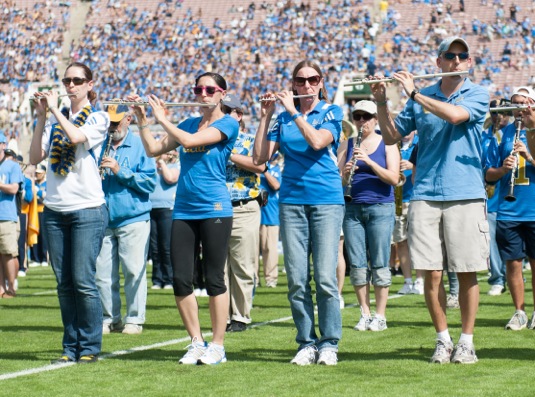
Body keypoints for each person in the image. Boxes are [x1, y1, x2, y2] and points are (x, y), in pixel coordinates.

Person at [370, 37, 490, 364]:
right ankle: (443, 339)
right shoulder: (421, 98)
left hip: (464, 192)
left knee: (466, 271)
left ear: (467, 61)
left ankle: (467, 340)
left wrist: (413, 93)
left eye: (461, 56)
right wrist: (382, 104)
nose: (456, 60)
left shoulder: (478, 93)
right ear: (439, 62)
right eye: (449, 56)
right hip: (425, 192)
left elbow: (454, 116)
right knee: (430, 272)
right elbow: (393, 136)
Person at [129, 72, 239, 365]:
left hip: (215, 208)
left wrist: (162, 118)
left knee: (214, 278)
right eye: (198, 88)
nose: (203, 93)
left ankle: (217, 344)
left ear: (221, 94)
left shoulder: (228, 123)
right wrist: (143, 120)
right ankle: (196, 341)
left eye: (209, 89)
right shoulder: (188, 123)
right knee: (180, 279)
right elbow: (154, 149)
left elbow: (189, 142)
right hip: (184, 208)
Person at [254, 60, 344, 366]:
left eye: (312, 80)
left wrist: (293, 112)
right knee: (296, 278)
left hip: (326, 201)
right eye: (300, 81)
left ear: (320, 83)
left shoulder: (332, 112)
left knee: (324, 277)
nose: (306, 85)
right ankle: (306, 342)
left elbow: (318, 141)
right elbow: (260, 158)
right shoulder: (281, 119)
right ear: (293, 83)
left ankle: (329, 342)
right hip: (291, 201)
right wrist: (265, 118)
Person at [29, 62, 109, 364]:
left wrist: (54, 111)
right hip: (56, 209)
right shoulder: (53, 122)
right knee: (64, 283)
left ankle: (88, 346)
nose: (71, 86)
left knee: (83, 280)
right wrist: (40, 119)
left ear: (90, 84)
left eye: (77, 80)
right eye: (67, 80)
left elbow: (76, 137)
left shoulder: (99, 117)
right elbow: (35, 157)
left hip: (87, 208)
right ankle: (70, 345)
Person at [95, 103, 156, 335]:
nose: (112, 126)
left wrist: (121, 171)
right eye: (109, 122)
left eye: (116, 121)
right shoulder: (100, 146)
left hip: (133, 217)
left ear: (128, 119)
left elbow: (150, 182)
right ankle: (109, 318)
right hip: (103, 218)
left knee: (133, 270)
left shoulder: (142, 145)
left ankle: (134, 318)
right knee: (102, 274)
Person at [340, 100, 399, 332]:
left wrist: (369, 161)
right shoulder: (347, 144)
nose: (362, 121)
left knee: (380, 261)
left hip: (380, 207)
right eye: (358, 116)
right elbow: (338, 180)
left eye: (367, 116)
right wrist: (345, 174)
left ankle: (380, 315)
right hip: (352, 207)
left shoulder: (388, 143)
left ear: (376, 119)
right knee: (356, 264)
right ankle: (364, 312)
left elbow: (393, 178)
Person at [485, 87, 535, 330]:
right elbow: (489, 174)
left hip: (533, 208)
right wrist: (504, 169)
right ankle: (519, 311)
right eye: (515, 102)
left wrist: (530, 155)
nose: (519, 107)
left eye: (524, 102)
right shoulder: (503, 134)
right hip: (508, 208)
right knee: (513, 263)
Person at [221, 94, 263, 333]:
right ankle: (223, 315)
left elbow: (260, 164)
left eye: (230, 111)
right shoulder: (212, 139)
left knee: (242, 265)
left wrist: (230, 156)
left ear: (239, 115)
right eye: (222, 110)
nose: (225, 115)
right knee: (218, 267)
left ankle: (240, 316)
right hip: (216, 207)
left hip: (244, 206)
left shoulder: (248, 139)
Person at [392, 131, 424, 296]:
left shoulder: (419, 142)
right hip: (398, 199)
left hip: (414, 198)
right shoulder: (393, 144)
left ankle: (419, 280)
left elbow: (427, 163)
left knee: (416, 241)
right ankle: (407, 281)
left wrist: (412, 166)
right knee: (401, 242)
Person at [483, 100, 509, 297]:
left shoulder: (514, 134)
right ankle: (498, 278)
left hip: (514, 194)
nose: (497, 116)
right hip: (491, 194)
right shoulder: (484, 135)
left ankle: (512, 273)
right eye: (494, 112)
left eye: (501, 112)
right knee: (492, 241)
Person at [149, 150, 179, 290]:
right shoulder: (153, 166)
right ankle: (157, 279)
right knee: (154, 248)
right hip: (151, 208)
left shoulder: (176, 166)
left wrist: (162, 163)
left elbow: (170, 179)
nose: (168, 155)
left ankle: (169, 279)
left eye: (171, 152)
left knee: (166, 247)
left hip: (167, 209)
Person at [0, 140, 23, 298]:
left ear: (3, 145)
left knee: (8, 253)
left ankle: (11, 288)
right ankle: (1, 289)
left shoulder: (12, 166)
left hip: (6, 215)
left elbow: (14, 188)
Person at [258, 152, 281, 289]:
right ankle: (253, 278)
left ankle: (271, 279)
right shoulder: (254, 168)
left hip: (271, 215)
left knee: (270, 249)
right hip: (254, 215)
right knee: (252, 251)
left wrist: (264, 171)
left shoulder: (276, 170)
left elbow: (276, 185)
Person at [30, 164, 48, 267]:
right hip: (34, 211)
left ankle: (44, 258)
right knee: (34, 233)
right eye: (36, 173)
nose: (38, 175)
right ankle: (35, 258)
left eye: (39, 173)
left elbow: (47, 195)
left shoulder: (47, 184)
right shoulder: (34, 184)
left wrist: (39, 192)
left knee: (43, 235)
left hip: (43, 210)